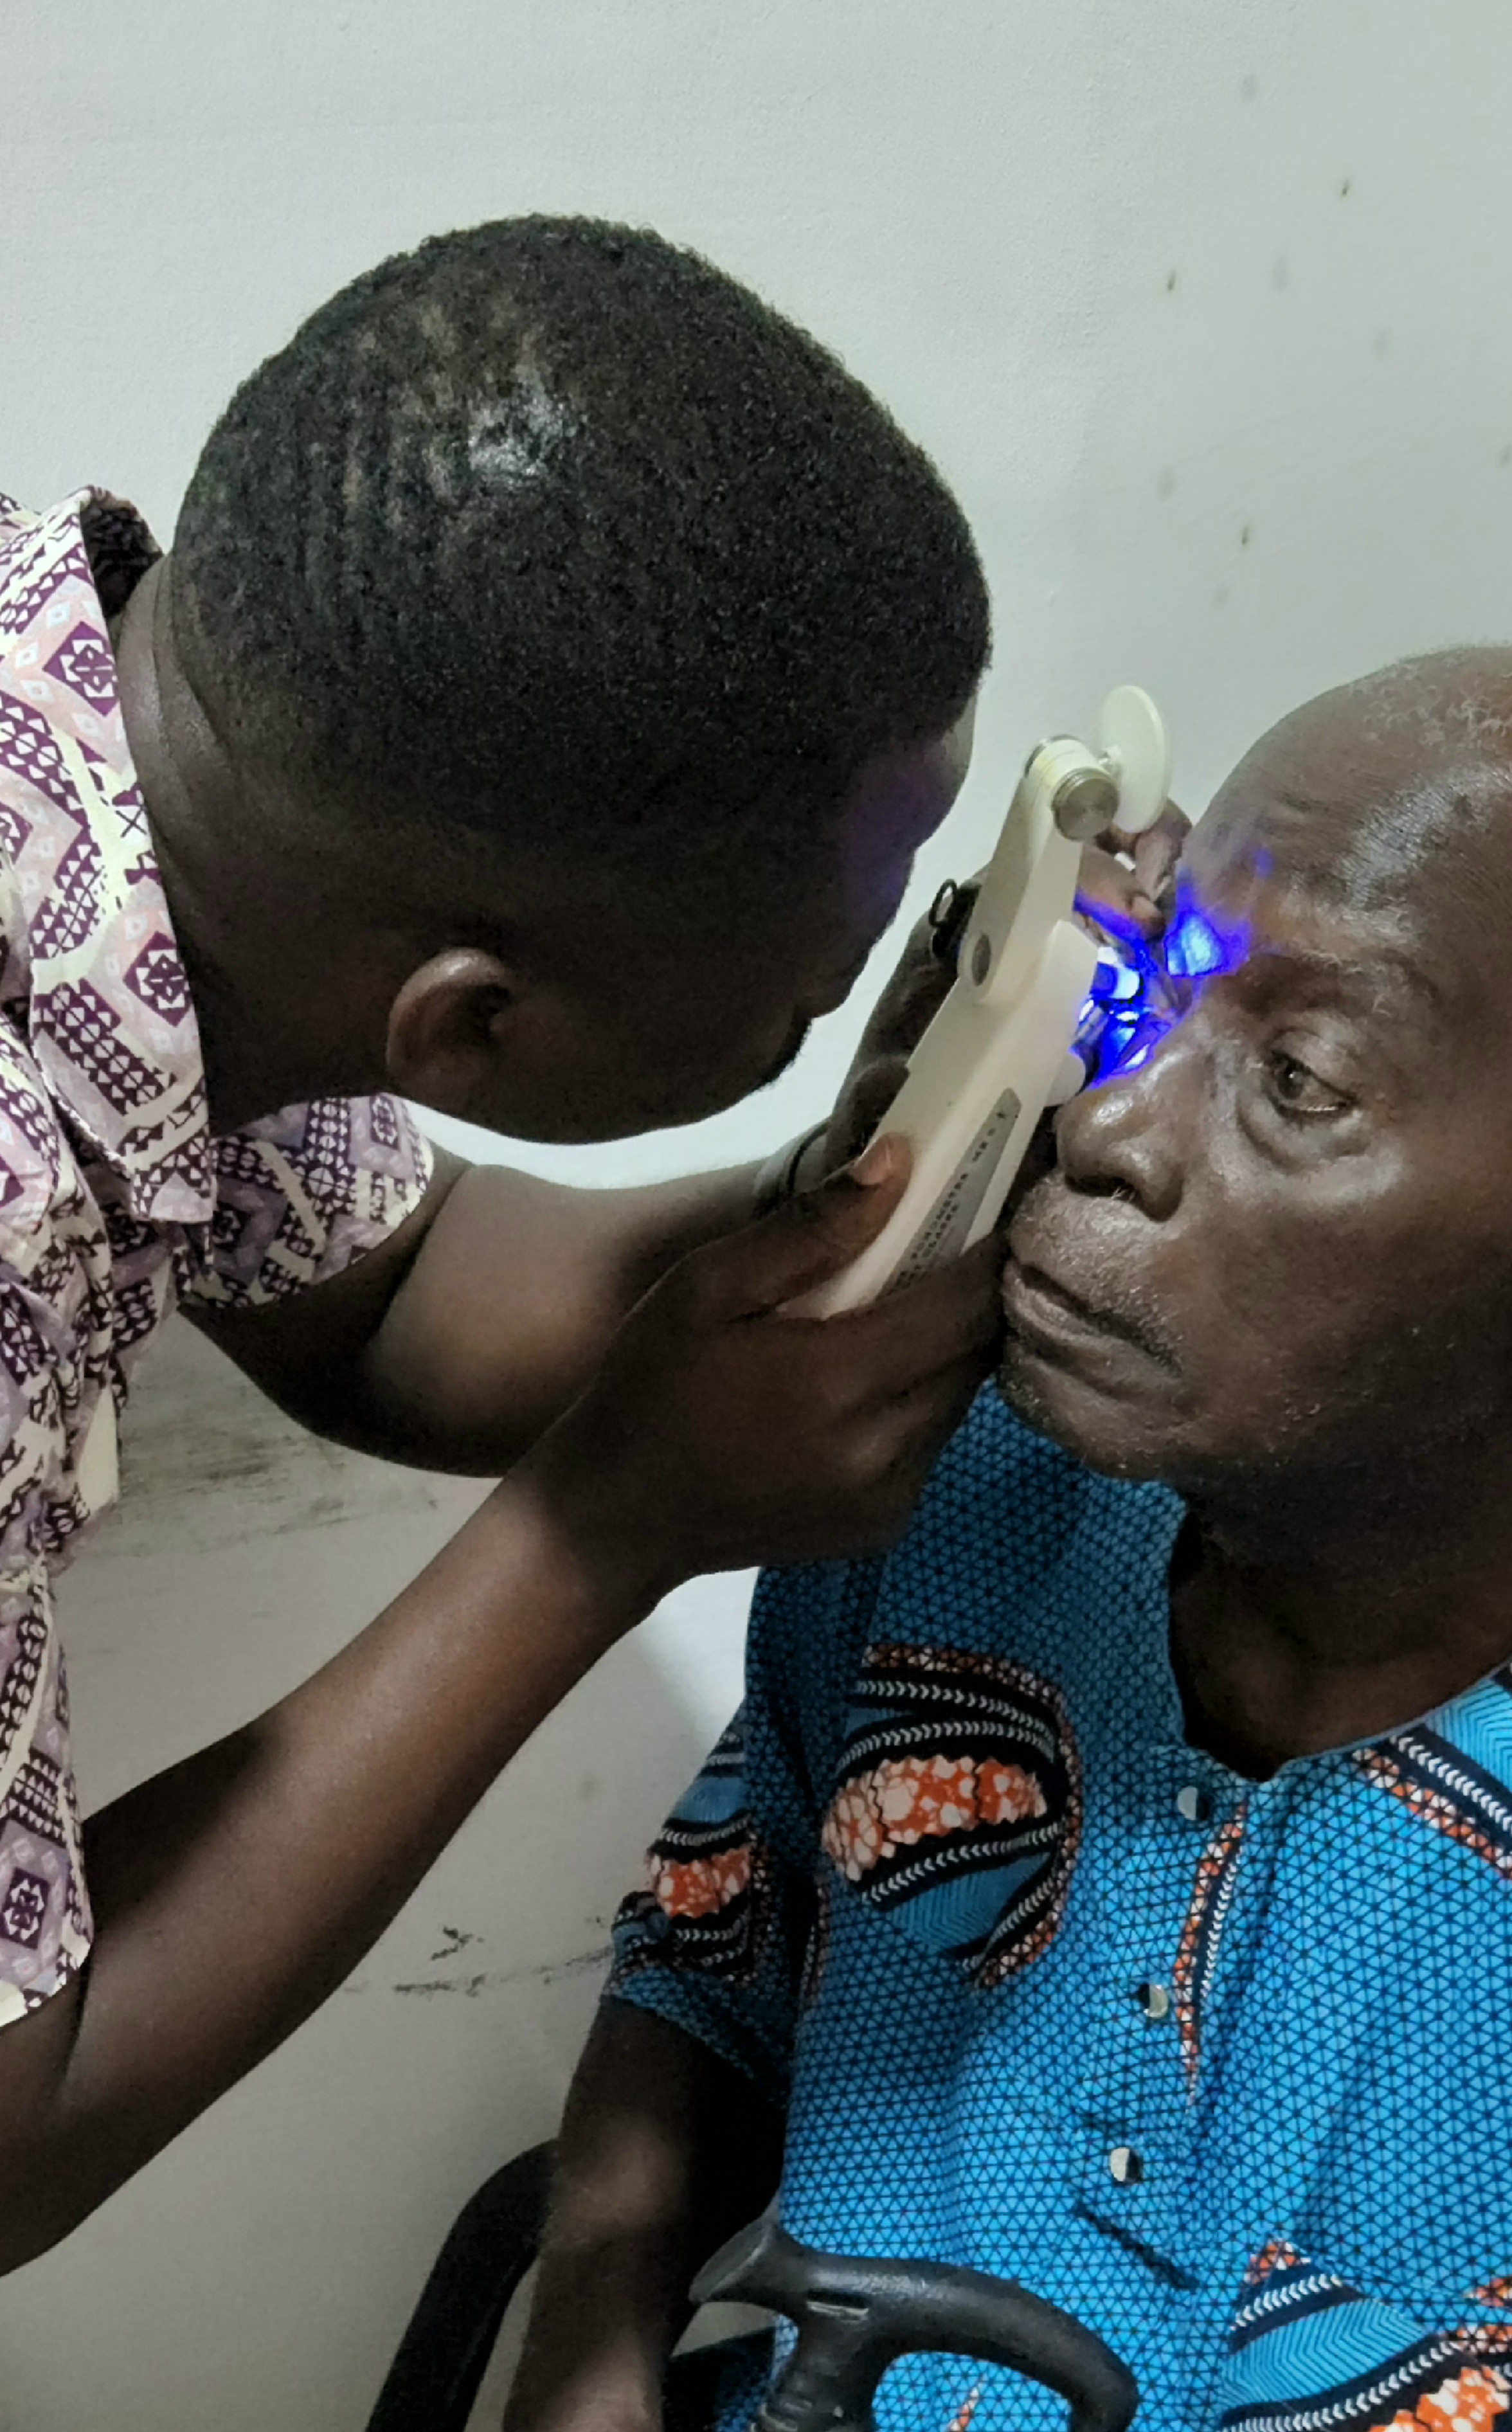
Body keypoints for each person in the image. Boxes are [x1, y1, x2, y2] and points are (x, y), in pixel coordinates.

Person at [508, 649, 1512, 2432]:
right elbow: (712, 1969)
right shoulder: (955, 1484)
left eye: (1297, 1081)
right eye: (1152, 1000)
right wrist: (587, 2360)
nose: (1106, 1124)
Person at [0, 214, 1028, 2267]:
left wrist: (853, 1169)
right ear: (475, 1022)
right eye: (801, 1001)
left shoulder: (135, 786)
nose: (820, 1011)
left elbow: (385, 1290)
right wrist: (598, 1530)